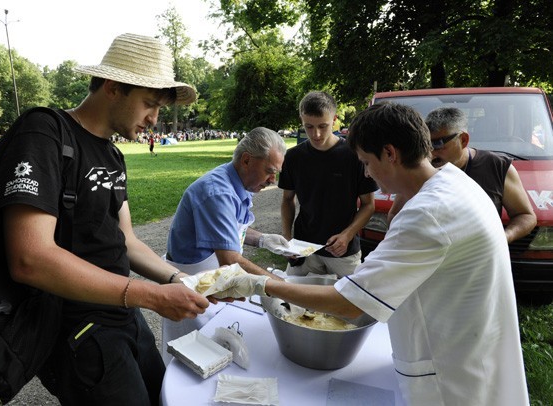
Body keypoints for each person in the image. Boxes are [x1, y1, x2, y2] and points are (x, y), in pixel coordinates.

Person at [218, 102, 530, 405]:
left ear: (390, 153)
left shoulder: (428, 213)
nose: (367, 174)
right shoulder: (452, 181)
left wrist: (261, 284)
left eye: (367, 163)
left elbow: (349, 305)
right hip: (471, 351)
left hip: (452, 379)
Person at [0, 33, 211, 405]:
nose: (154, 119)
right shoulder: (44, 132)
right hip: (79, 331)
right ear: (112, 87)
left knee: (167, 397)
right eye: (149, 104)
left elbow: (127, 241)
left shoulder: (112, 156)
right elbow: (31, 258)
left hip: (124, 315)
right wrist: (151, 296)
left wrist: (186, 281)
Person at [163, 126, 289, 364]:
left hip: (212, 281)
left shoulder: (240, 183)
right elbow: (230, 260)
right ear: (246, 160)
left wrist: (262, 239)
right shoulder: (218, 192)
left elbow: (228, 230)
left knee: (216, 350)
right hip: (192, 283)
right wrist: (278, 286)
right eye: (270, 171)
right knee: (190, 359)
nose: (273, 180)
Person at [387, 106, 536, 242]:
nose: (431, 153)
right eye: (427, 144)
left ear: (463, 140)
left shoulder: (498, 166)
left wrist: (502, 238)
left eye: (438, 144)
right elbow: (395, 215)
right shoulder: (420, 167)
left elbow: (526, 216)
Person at [278, 91, 377, 277]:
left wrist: (347, 235)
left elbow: (368, 205)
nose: (316, 134)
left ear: (334, 120)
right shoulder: (292, 157)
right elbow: (287, 200)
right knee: (295, 301)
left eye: (323, 126)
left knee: (347, 303)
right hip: (303, 248)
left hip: (343, 250)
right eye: (308, 127)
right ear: (301, 120)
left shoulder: (355, 155)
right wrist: (287, 237)